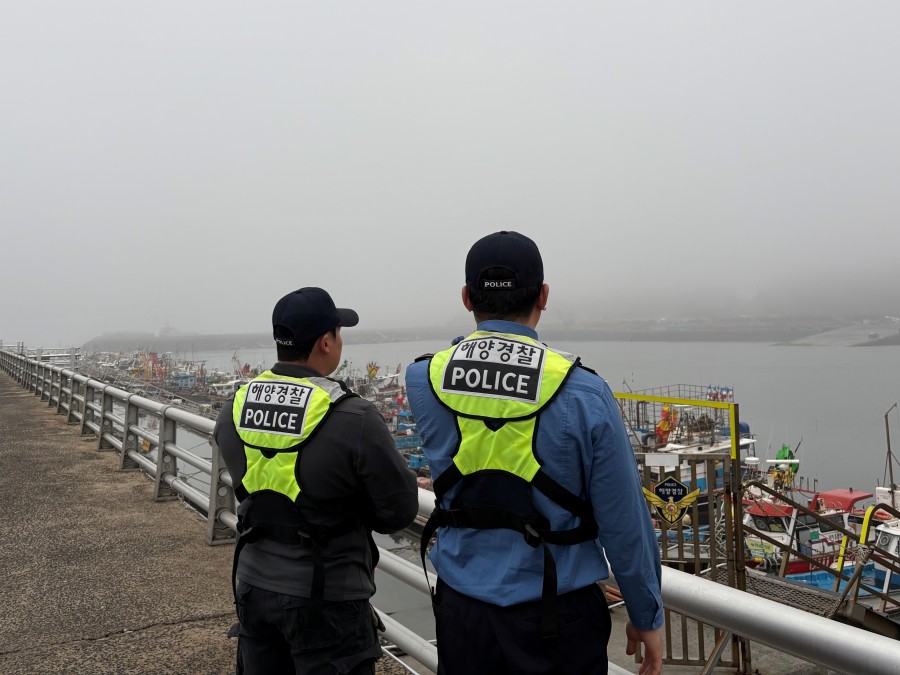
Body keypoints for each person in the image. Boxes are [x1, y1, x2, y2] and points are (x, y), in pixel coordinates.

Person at [405, 231, 664, 675]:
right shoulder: (585, 391)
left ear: (467, 298)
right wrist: (645, 613)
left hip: (462, 613)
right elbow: (624, 522)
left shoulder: (423, 379)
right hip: (559, 619)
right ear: (543, 296)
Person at [214, 286, 419, 675]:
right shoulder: (355, 416)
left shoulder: (234, 408)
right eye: (339, 332)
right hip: (328, 600)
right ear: (326, 342)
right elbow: (399, 511)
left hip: (253, 588)